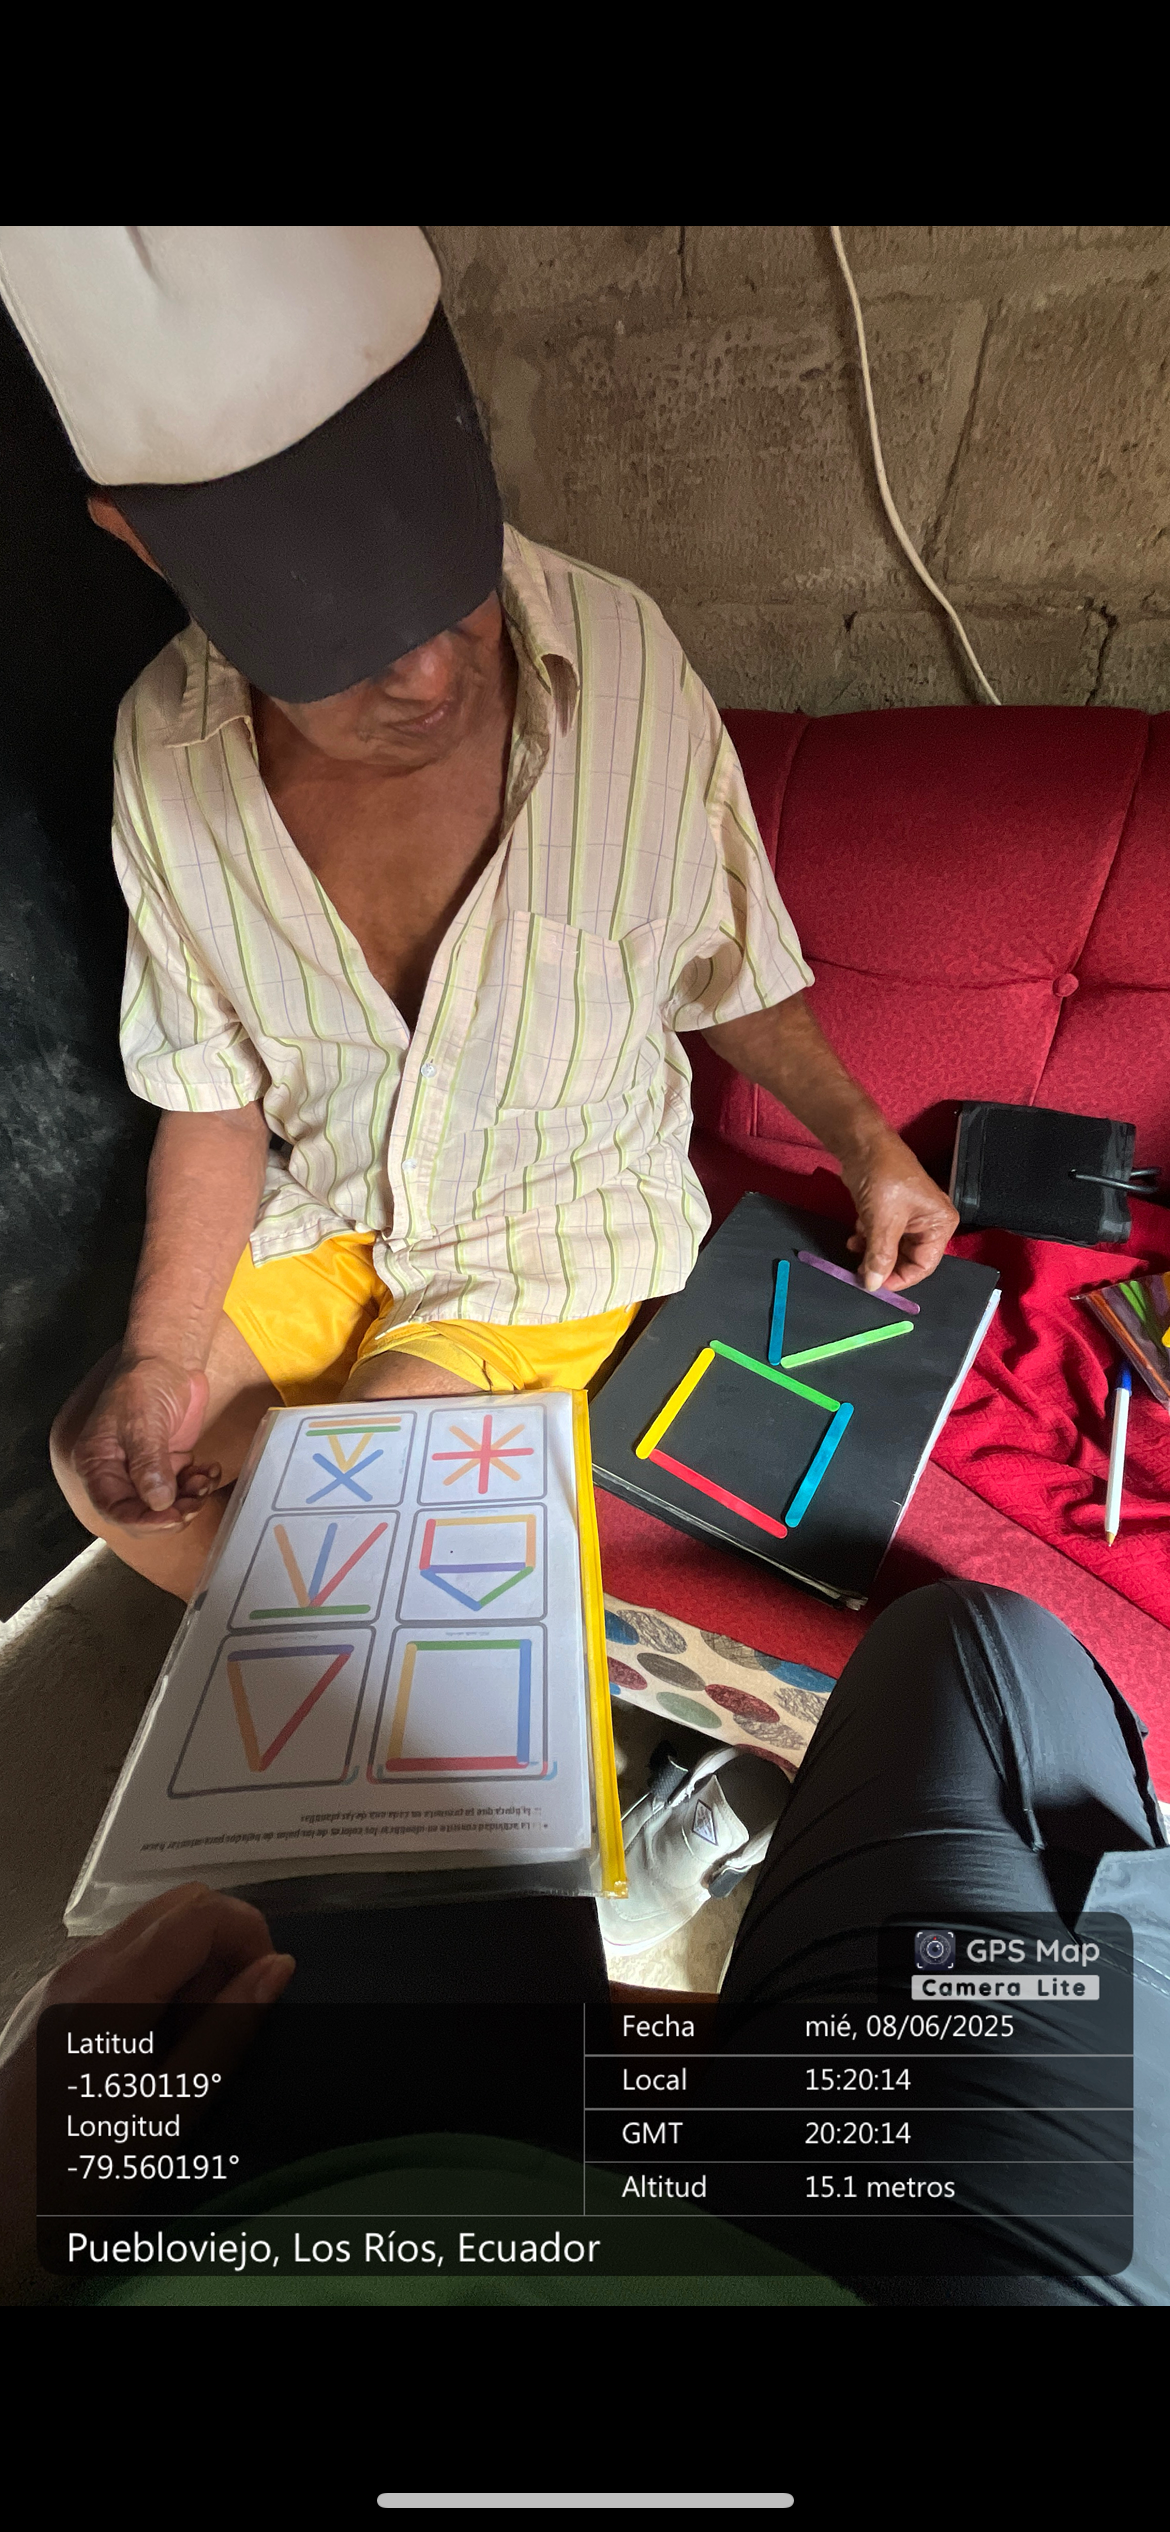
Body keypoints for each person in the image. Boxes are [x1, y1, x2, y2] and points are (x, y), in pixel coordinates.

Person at [0, 227, 958, 1603]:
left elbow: (722, 961)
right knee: (105, 1461)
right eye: (340, 648)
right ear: (141, 542)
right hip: (332, 1220)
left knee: (345, 1509)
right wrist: (158, 1356)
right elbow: (211, 1096)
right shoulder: (165, 745)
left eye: (454, 603)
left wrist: (869, 1146)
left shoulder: (620, 656)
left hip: (544, 1243)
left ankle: (379, 1631)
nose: (429, 679)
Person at [3, 1583, 1165, 2307]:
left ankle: (641, 1994)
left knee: (277, 1933)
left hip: (307, 2233)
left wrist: (12, 2224)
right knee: (978, 1651)